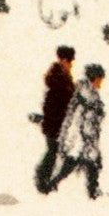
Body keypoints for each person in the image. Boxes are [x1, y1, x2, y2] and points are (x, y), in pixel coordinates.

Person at [49, 64, 106, 199]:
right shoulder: (87, 97)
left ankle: (91, 190)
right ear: (95, 79)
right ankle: (54, 183)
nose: (101, 83)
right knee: (81, 162)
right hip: (81, 138)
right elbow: (82, 119)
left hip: (84, 138)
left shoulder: (89, 94)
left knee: (88, 163)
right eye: (100, 80)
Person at [34, 45, 75, 194]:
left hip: (57, 123)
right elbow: (53, 104)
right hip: (55, 123)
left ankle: (44, 179)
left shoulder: (61, 77)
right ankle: (42, 181)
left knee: (53, 152)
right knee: (53, 152)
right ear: (63, 60)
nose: (71, 64)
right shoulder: (58, 79)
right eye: (69, 61)